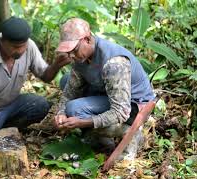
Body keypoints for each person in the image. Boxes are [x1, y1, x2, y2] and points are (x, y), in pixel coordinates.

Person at [53, 18, 155, 160]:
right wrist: (60, 113)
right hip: (109, 94)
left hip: (133, 106)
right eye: (68, 52)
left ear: (87, 40)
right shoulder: (80, 57)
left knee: (74, 109)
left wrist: (85, 122)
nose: (71, 56)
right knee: (65, 81)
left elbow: (120, 112)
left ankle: (126, 132)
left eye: (74, 50)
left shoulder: (114, 63)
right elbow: (70, 90)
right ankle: (99, 138)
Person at [0, 17, 71, 147]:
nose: (21, 50)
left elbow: (45, 76)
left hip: (13, 104)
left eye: (23, 46)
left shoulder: (29, 46)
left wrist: (56, 65)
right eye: (15, 47)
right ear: (2, 42)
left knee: (41, 105)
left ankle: (5, 127)